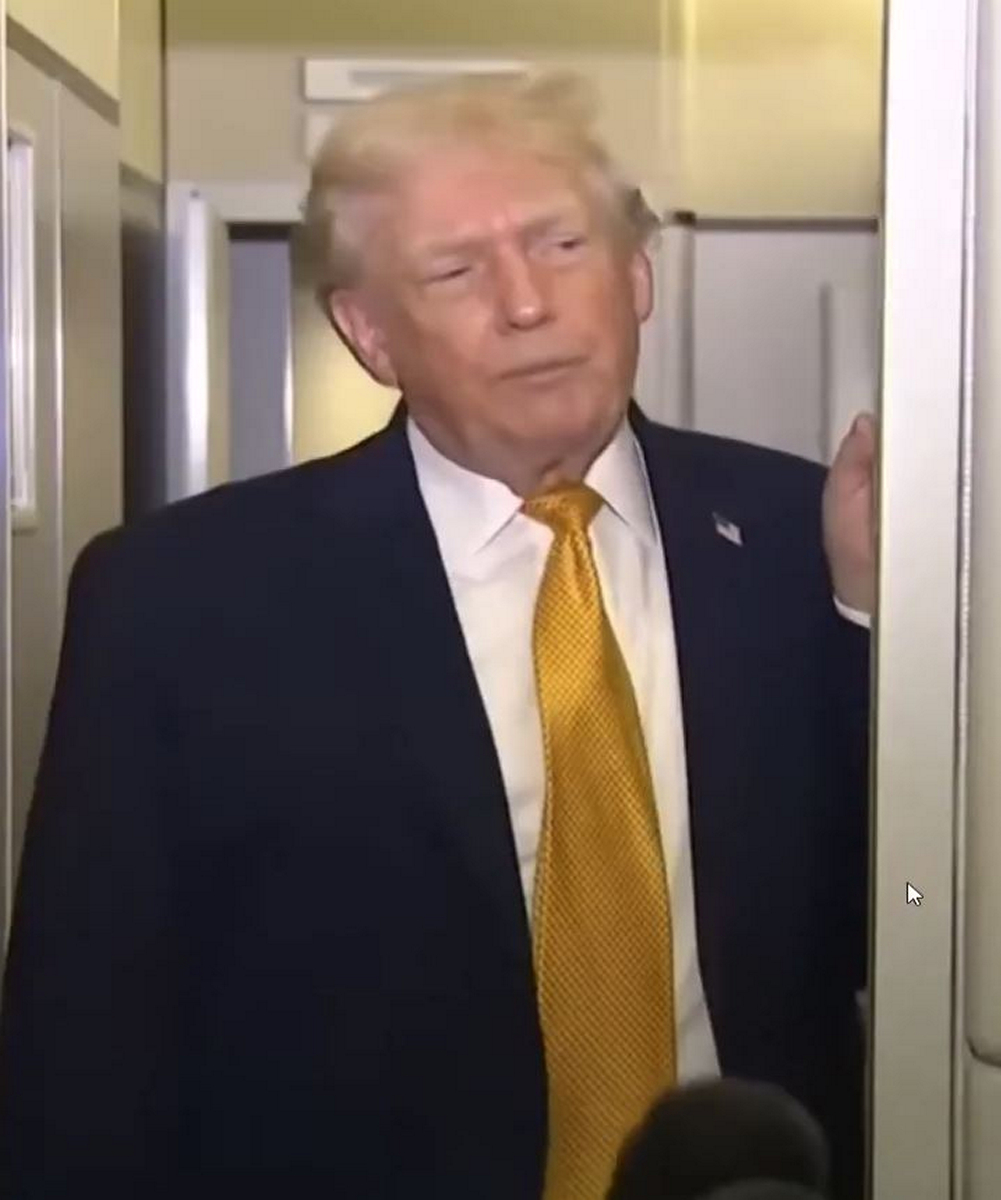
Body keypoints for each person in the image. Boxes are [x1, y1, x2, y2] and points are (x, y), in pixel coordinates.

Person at [0, 72, 875, 1200]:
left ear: (638, 273)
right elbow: (85, 1035)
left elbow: (896, 915)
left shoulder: (807, 540)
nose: (526, 304)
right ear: (368, 332)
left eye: (561, 244)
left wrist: (866, 623)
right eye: (457, 271)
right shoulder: (181, 598)